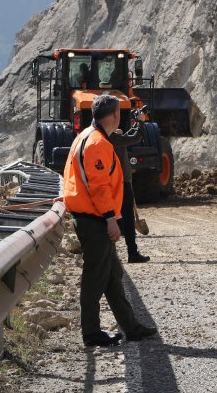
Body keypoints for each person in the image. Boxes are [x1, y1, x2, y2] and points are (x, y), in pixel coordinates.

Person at [63, 94, 157, 347]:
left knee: (112, 275)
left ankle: (131, 327)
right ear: (115, 115)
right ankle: (91, 333)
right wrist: (110, 219)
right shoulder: (97, 144)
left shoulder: (85, 136)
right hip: (94, 220)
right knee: (95, 277)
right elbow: (99, 186)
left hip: (91, 217)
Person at [109, 121, 150, 263]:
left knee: (118, 217)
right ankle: (131, 253)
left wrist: (134, 126)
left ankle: (116, 254)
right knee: (126, 218)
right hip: (120, 183)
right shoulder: (112, 138)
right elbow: (136, 138)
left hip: (118, 182)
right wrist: (141, 123)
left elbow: (126, 138)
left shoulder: (108, 137)